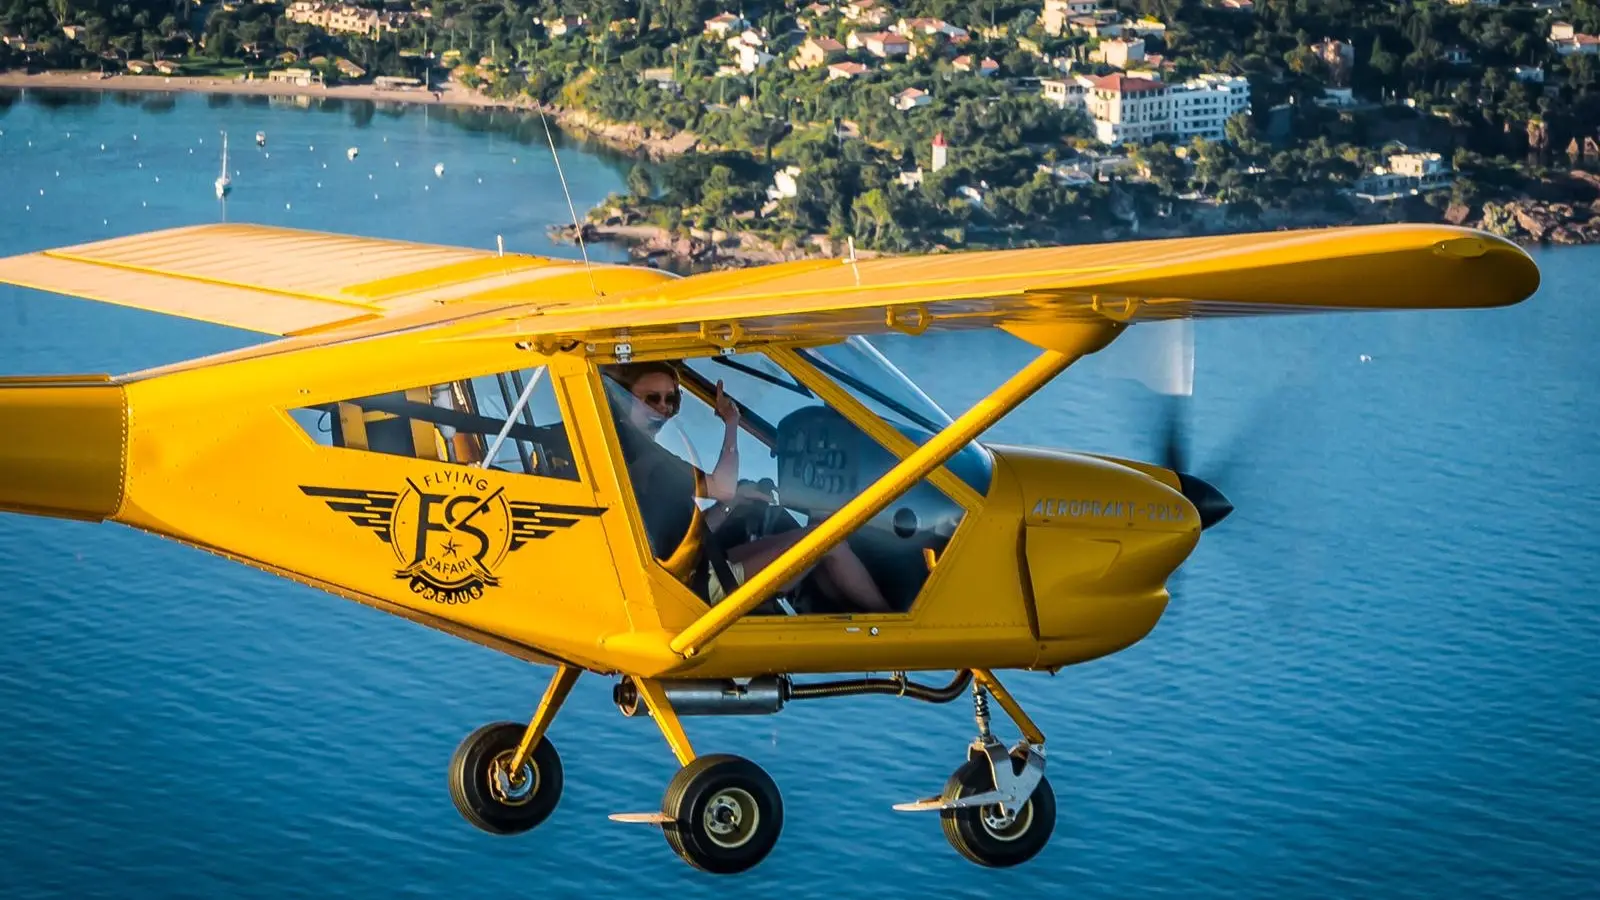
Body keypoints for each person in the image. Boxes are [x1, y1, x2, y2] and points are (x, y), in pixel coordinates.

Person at [603, 361, 892, 614]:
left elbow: (685, 533)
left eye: (672, 400)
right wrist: (731, 423)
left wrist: (735, 502)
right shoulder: (646, 458)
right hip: (695, 586)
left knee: (818, 530)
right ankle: (891, 622)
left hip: (689, 570)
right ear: (623, 399)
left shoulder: (622, 449)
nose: (664, 408)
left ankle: (848, 614)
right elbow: (722, 487)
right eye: (651, 399)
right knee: (831, 541)